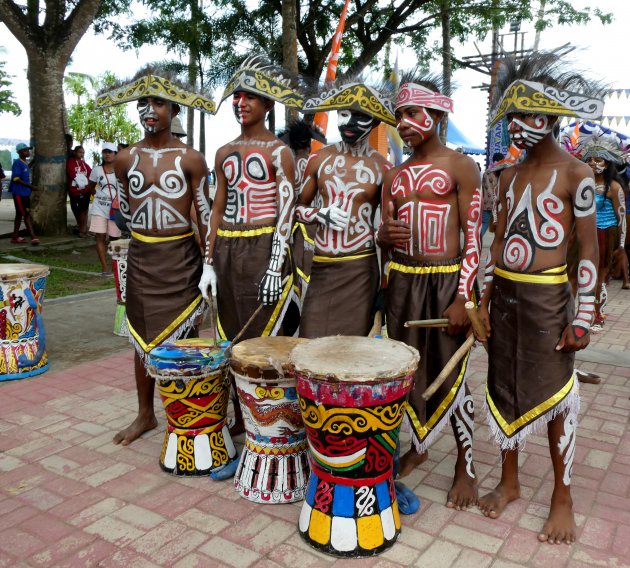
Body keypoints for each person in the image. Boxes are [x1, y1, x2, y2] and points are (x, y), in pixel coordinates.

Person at [476, 52, 603, 544]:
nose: (514, 127)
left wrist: (584, 317)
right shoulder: (504, 177)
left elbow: (588, 248)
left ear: (549, 117)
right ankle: (509, 481)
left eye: (524, 116)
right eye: (509, 116)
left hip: (550, 301)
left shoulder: (579, 175)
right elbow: (495, 240)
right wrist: (481, 300)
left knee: (555, 396)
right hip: (505, 297)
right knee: (503, 387)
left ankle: (562, 496)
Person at [96, 69, 215, 447]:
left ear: (173, 109)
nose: (149, 110)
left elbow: (204, 216)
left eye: (158, 103)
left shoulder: (191, 159)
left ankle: (191, 410)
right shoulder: (125, 158)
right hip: (143, 257)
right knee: (140, 338)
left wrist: (209, 262)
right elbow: (126, 214)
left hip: (181, 259)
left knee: (186, 336)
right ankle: (146, 414)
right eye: (143, 103)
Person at [378, 76, 482, 510]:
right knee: (407, 373)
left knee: (451, 372)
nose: (404, 123)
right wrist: (383, 236)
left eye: (412, 113)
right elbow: (382, 240)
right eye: (399, 115)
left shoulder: (461, 166)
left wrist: (464, 298)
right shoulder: (394, 176)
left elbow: (475, 237)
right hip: (402, 282)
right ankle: (418, 445)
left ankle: (466, 466)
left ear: (436, 115)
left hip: (445, 283)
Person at [200, 55, 303, 434]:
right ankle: (244, 417)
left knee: (269, 336)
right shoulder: (224, 152)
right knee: (231, 333)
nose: (240, 103)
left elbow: (286, 210)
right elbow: (216, 209)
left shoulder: (279, 152)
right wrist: (209, 263)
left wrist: (276, 265)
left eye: (250, 97)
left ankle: (277, 420)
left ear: (268, 104)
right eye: (237, 96)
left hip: (265, 249)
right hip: (228, 251)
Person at [297, 81, 394, 337]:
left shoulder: (383, 168)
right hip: (322, 267)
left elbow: (386, 233)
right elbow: (297, 209)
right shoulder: (318, 158)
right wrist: (320, 215)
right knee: (310, 341)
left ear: (375, 121)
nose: (349, 123)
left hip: (360, 270)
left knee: (351, 351)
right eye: (343, 114)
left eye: (360, 116)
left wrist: (385, 287)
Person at [581, 134, 627, 331]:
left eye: (598, 160)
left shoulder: (614, 187)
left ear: (607, 164)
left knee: (600, 278)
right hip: (582, 236)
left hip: (604, 235)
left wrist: (622, 247)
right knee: (580, 277)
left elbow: (622, 220)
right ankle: (581, 314)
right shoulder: (581, 185)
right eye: (589, 159)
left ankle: (598, 316)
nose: (592, 163)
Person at [87, 142, 121, 275]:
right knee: (100, 236)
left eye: (110, 152)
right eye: (105, 151)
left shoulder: (120, 169)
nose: (107, 154)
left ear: (115, 154)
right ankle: (105, 268)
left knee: (115, 237)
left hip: (115, 209)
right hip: (99, 208)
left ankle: (116, 266)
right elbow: (91, 186)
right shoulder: (97, 170)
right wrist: (97, 195)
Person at [9, 143, 39, 245]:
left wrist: (34, 160)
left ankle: (15, 237)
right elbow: (16, 178)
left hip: (24, 193)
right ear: (19, 152)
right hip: (19, 193)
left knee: (19, 215)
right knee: (26, 215)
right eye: (25, 150)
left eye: (28, 150)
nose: (28, 152)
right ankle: (33, 237)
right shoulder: (17, 163)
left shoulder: (24, 163)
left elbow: (27, 168)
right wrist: (31, 187)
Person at [67, 145, 92, 237]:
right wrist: (82, 180)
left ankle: (84, 229)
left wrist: (87, 181)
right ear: (75, 152)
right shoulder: (70, 162)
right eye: (80, 152)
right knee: (81, 210)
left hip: (85, 190)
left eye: (83, 152)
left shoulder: (83, 163)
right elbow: (72, 174)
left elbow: (90, 172)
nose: (81, 154)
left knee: (85, 210)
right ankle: (82, 230)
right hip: (76, 190)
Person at [481, 153, 504, 237]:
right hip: (496, 203)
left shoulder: (488, 172)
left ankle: (477, 243)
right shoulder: (499, 172)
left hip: (487, 202)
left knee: (485, 223)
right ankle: (497, 244)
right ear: (498, 161)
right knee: (497, 225)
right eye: (502, 160)